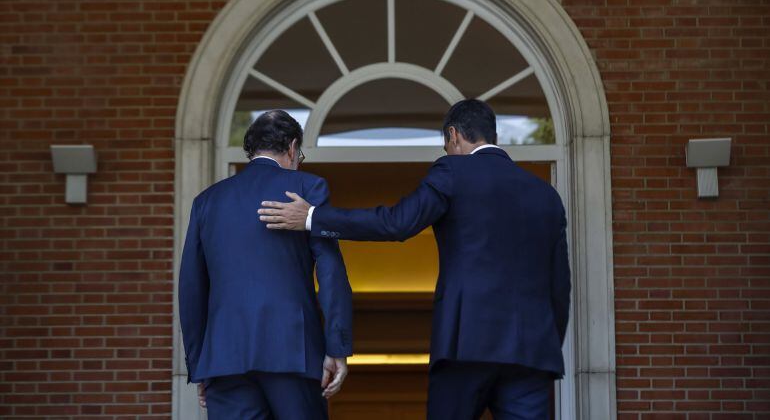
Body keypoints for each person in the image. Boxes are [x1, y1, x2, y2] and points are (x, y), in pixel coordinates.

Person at [258, 99, 571, 420]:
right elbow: (560, 286)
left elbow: (396, 223)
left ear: (454, 136)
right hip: (533, 352)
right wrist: (546, 340)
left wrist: (313, 217)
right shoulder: (545, 195)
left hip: (466, 344)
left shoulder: (452, 170)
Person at [179, 110, 353, 420]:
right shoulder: (309, 188)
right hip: (293, 350)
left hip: (224, 357)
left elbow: (192, 287)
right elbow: (330, 273)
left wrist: (200, 364)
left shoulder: (207, 201)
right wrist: (336, 347)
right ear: (292, 147)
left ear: (251, 149)